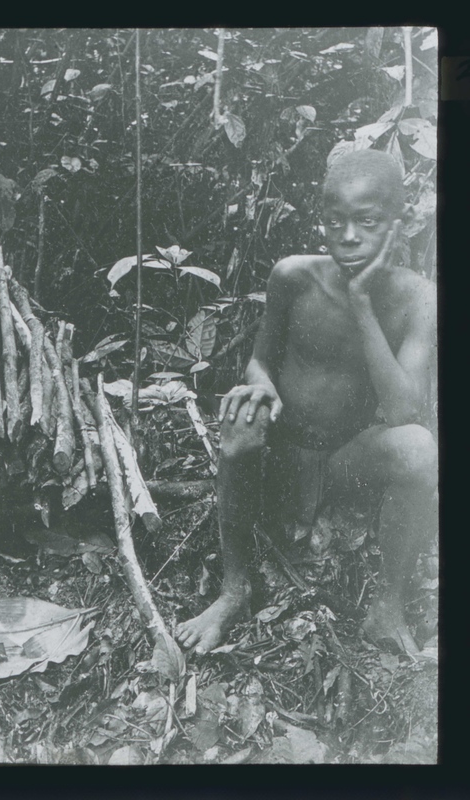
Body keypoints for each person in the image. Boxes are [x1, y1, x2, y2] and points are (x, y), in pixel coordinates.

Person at [175, 149, 437, 656]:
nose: (348, 236)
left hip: (345, 461)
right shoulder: (294, 276)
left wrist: (362, 303)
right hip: (282, 453)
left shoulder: (417, 298)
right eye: (334, 221)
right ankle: (235, 589)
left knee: (418, 448)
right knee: (241, 416)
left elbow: (405, 410)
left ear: (400, 222)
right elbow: (259, 362)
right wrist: (262, 387)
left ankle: (388, 604)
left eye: (366, 221)